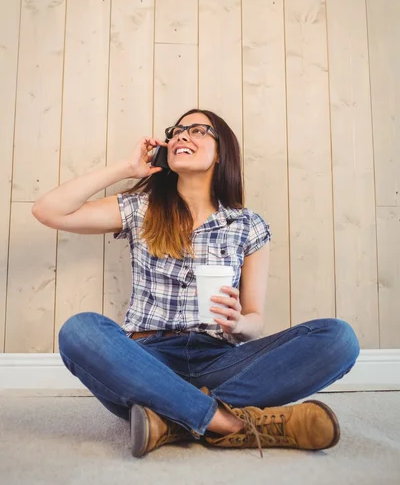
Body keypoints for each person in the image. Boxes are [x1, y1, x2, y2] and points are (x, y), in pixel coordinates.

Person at [32, 108, 360, 458]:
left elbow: (254, 321)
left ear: (222, 153)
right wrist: (127, 169)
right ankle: (227, 423)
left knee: (338, 338)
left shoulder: (248, 225)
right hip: (145, 360)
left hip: (219, 360)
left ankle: (171, 419)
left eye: (198, 130)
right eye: (177, 130)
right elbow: (48, 210)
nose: (182, 135)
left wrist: (238, 323)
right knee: (80, 330)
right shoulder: (141, 208)